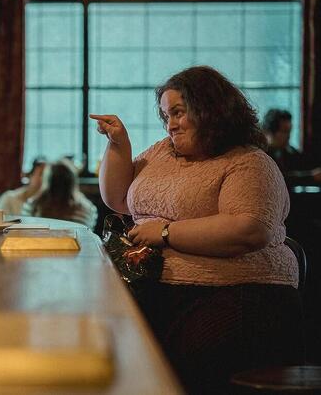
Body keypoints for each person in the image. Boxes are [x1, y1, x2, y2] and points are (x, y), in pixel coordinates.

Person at [91, 66, 304, 393]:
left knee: (178, 362)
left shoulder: (248, 162)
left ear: (211, 110)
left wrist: (165, 233)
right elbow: (118, 199)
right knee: (103, 343)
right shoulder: (163, 151)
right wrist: (119, 144)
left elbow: (249, 229)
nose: (171, 124)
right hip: (157, 284)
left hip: (240, 290)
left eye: (178, 113)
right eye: (166, 115)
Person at [21, 158, 97, 229]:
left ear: (47, 181)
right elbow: (87, 235)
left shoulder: (31, 206)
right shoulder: (87, 209)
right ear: (72, 182)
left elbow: (28, 231)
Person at [262, 108, 321, 187]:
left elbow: (305, 165)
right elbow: (279, 179)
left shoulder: (290, 151)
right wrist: (310, 176)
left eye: (289, 131)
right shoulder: (261, 155)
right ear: (269, 132)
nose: (289, 136)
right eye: (284, 131)